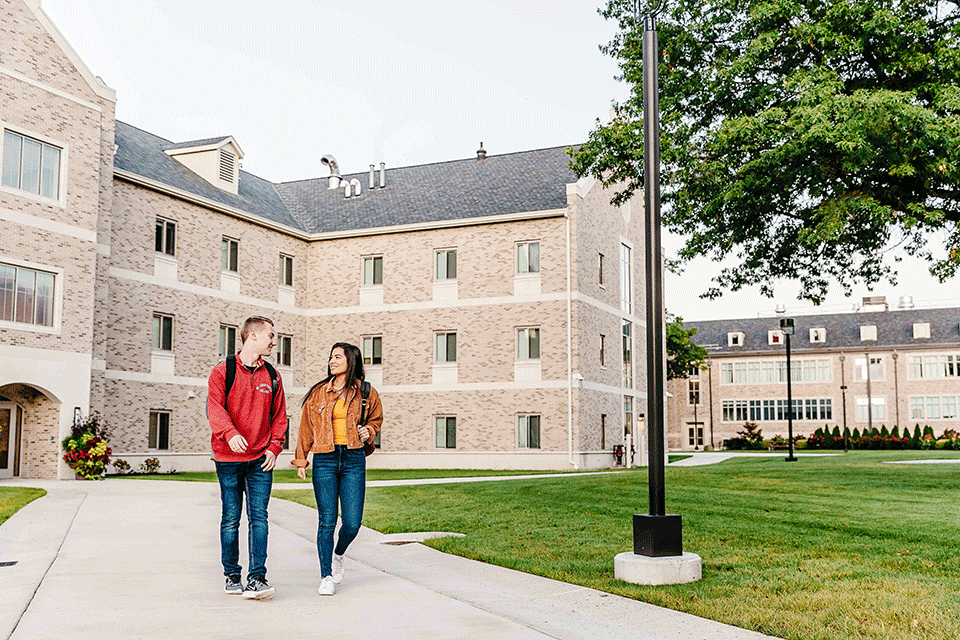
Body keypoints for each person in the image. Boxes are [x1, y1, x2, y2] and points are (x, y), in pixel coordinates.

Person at [293, 342, 383, 596]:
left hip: (354, 458)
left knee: (353, 523)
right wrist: (302, 459)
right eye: (330, 356)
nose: (331, 361)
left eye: (337, 357)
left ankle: (339, 553)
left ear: (350, 361)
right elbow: (306, 427)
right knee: (327, 521)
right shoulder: (319, 392)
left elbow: (375, 419)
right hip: (325, 459)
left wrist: (370, 431)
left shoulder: (366, 392)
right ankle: (326, 576)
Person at [207, 316, 287, 600]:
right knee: (231, 517)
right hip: (228, 458)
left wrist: (274, 447)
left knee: (259, 517)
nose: (274, 341)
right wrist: (229, 433)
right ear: (252, 336)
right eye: (271, 336)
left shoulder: (273, 376)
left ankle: (257, 578)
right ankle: (232, 574)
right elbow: (214, 408)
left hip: (260, 460)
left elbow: (279, 417)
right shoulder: (223, 371)